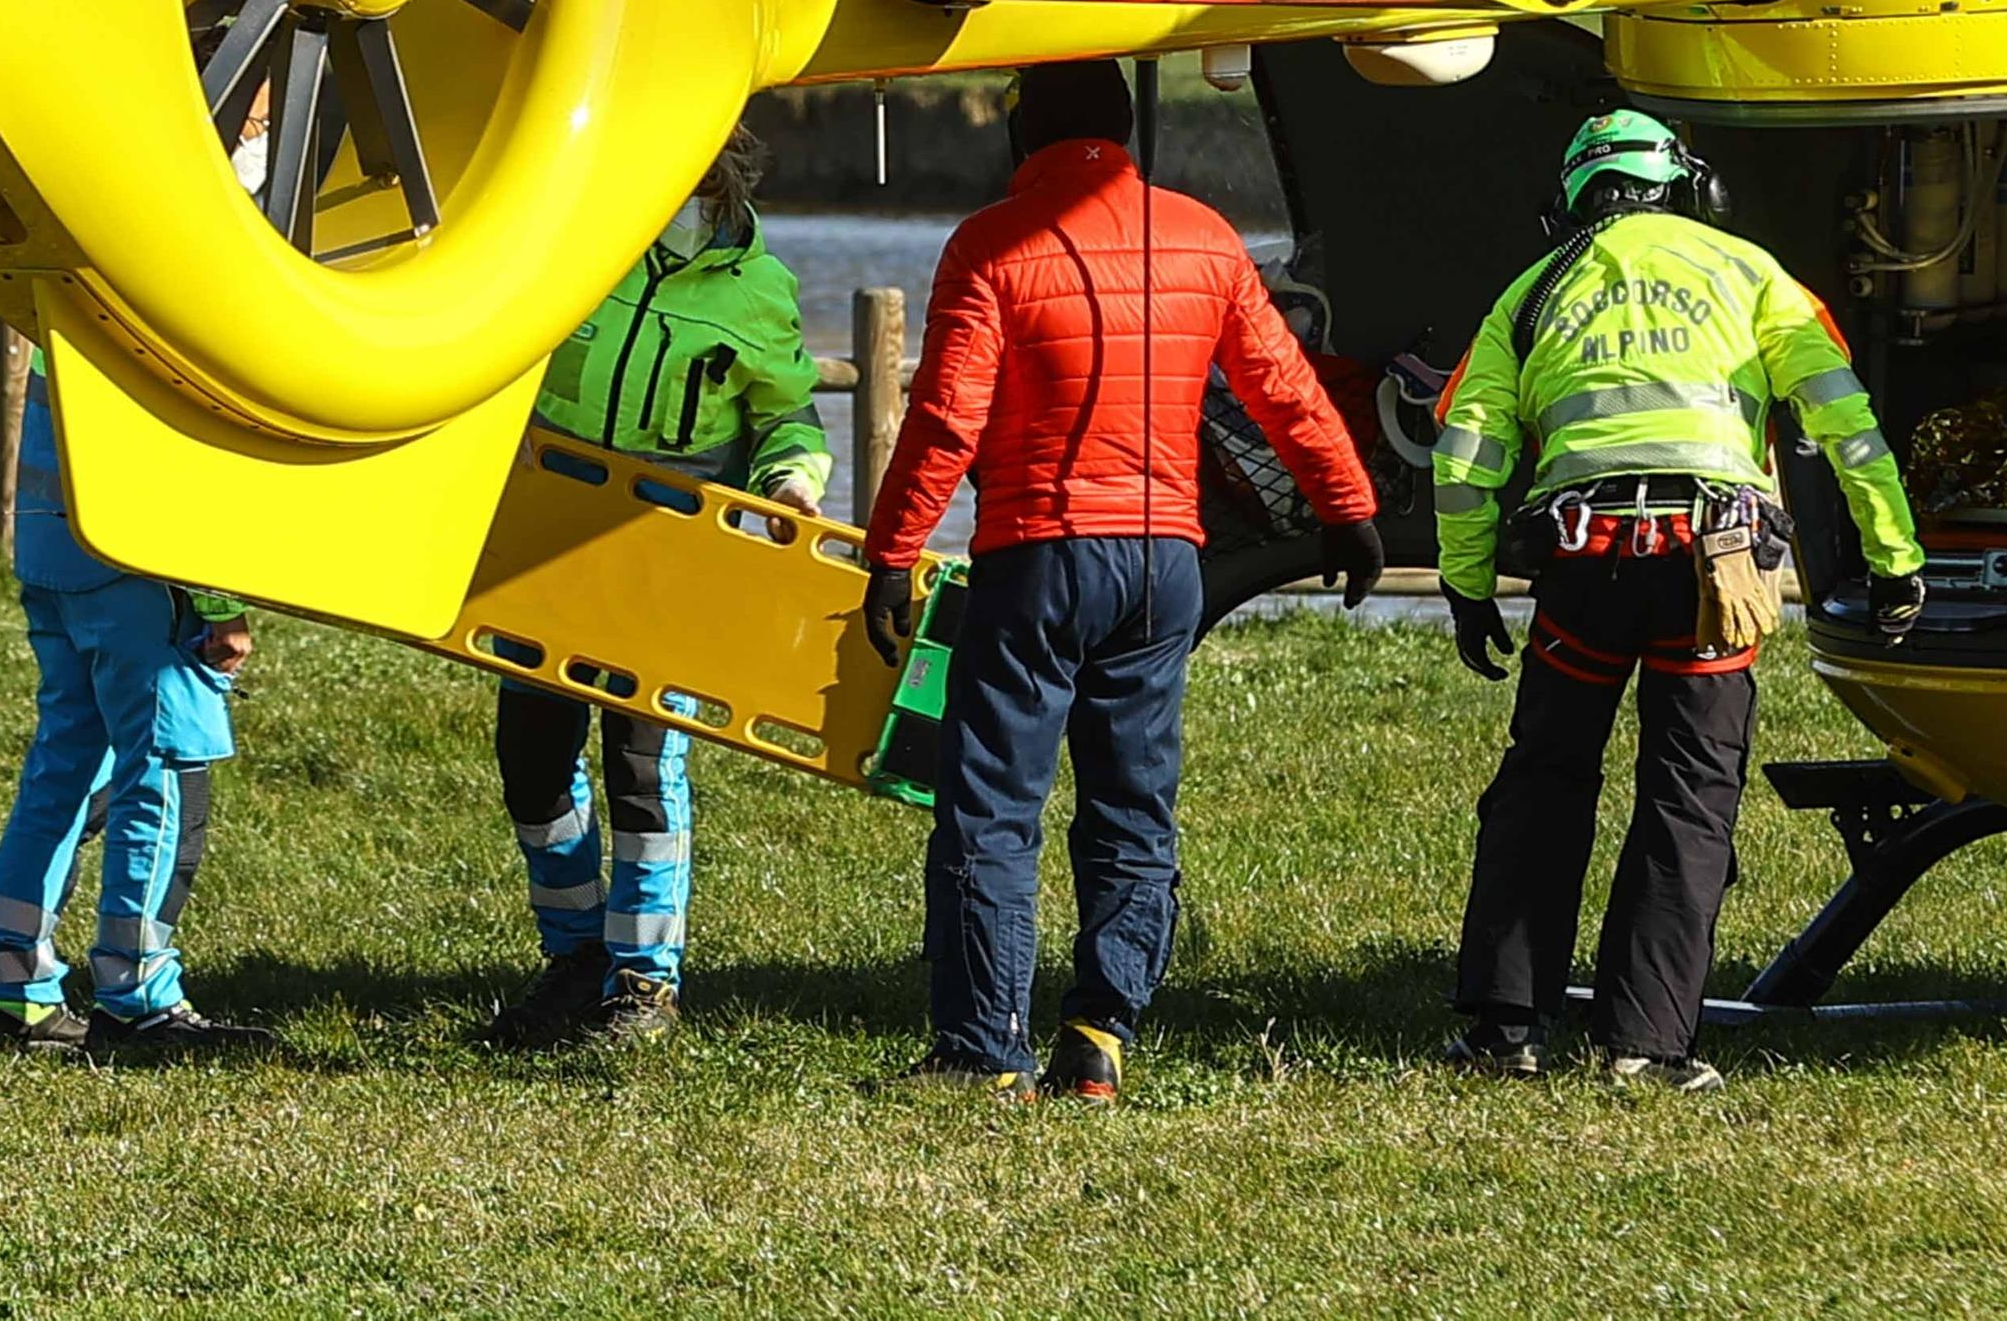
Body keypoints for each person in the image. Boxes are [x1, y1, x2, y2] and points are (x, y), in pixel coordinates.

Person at [860, 58, 1384, 1102]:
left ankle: (982, 1047)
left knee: (992, 810)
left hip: (1039, 556)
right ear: (1122, 132)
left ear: (1022, 134)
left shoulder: (990, 243)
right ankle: (1099, 1036)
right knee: (1132, 804)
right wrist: (1350, 509)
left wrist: (891, 552)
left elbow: (948, 417)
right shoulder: (1203, 236)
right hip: (1164, 565)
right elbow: (1280, 385)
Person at [1430, 109, 1928, 1090]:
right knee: (1689, 795)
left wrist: (1467, 582)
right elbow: (1846, 424)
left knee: (1544, 780)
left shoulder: (1531, 292)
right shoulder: (1753, 275)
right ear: (1688, 186)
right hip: (1715, 559)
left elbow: (1463, 448)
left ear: (1570, 205)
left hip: (1584, 556)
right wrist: (1892, 555)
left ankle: (1503, 1031)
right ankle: (1645, 1045)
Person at [487, 124, 826, 1052]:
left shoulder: (759, 292)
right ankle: (572, 959)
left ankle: (643, 985)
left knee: (641, 768)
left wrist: (791, 484)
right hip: (546, 550)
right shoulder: (581, 248)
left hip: (667, 558)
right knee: (532, 759)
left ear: (718, 181)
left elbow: (786, 414)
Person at [0, 357, 264, 1060]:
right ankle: (139, 1002)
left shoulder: (79, 263)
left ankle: (16, 989)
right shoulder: (173, 274)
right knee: (162, 774)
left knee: (66, 768)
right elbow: (183, 446)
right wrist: (218, 603)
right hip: (137, 567)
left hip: (53, 547)